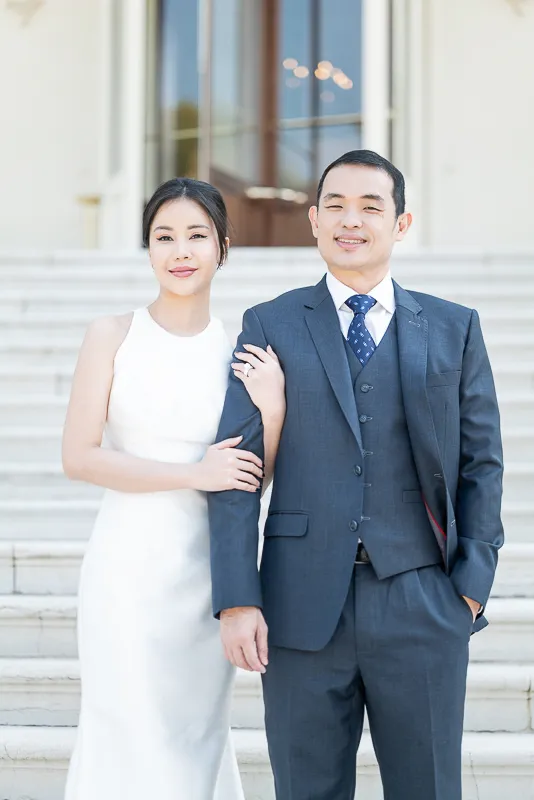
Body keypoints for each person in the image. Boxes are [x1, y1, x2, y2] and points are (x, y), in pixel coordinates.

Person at [208, 150, 504, 799]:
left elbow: (482, 463)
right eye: (336, 205)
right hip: (299, 607)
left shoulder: (455, 328)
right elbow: (235, 466)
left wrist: (470, 589)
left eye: (371, 206)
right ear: (313, 221)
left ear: (401, 224)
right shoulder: (271, 323)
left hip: (424, 600)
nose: (352, 219)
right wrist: (237, 597)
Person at [61, 177, 286, 800]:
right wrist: (191, 473)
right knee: (123, 730)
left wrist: (272, 412)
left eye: (196, 236)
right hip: (125, 572)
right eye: (164, 236)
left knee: (195, 736)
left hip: (202, 577)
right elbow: (79, 457)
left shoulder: (238, 351)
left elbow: (249, 476)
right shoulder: (111, 335)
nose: (180, 250)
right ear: (148, 247)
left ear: (223, 247)